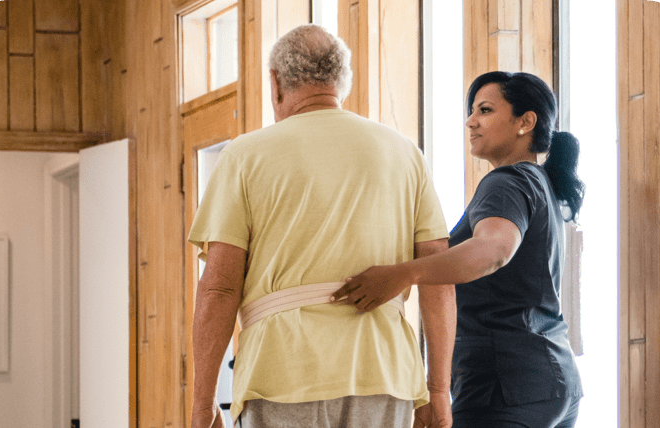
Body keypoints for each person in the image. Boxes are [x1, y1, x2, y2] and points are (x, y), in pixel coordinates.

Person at [188, 24, 456, 428]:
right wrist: (437, 390)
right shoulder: (405, 154)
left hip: (281, 374)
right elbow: (438, 277)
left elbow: (221, 287)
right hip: (384, 373)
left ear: (275, 84)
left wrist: (203, 403)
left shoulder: (245, 156)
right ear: (340, 81)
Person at [333, 71, 585, 427]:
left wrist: (403, 274)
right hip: (555, 382)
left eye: (484, 110)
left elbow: (494, 249)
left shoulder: (506, 183)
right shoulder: (540, 183)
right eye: (472, 111)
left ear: (526, 122)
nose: (471, 121)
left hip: (503, 389)